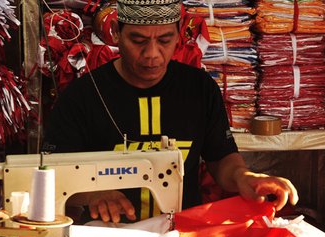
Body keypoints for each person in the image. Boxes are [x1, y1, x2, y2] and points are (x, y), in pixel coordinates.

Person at [43, 0, 298, 223]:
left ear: (179, 36)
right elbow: (54, 175)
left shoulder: (199, 88)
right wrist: (93, 193)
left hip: (182, 234)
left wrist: (245, 178)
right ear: (117, 35)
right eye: (138, 40)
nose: (152, 54)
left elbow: (221, 159)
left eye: (164, 40)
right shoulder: (82, 95)